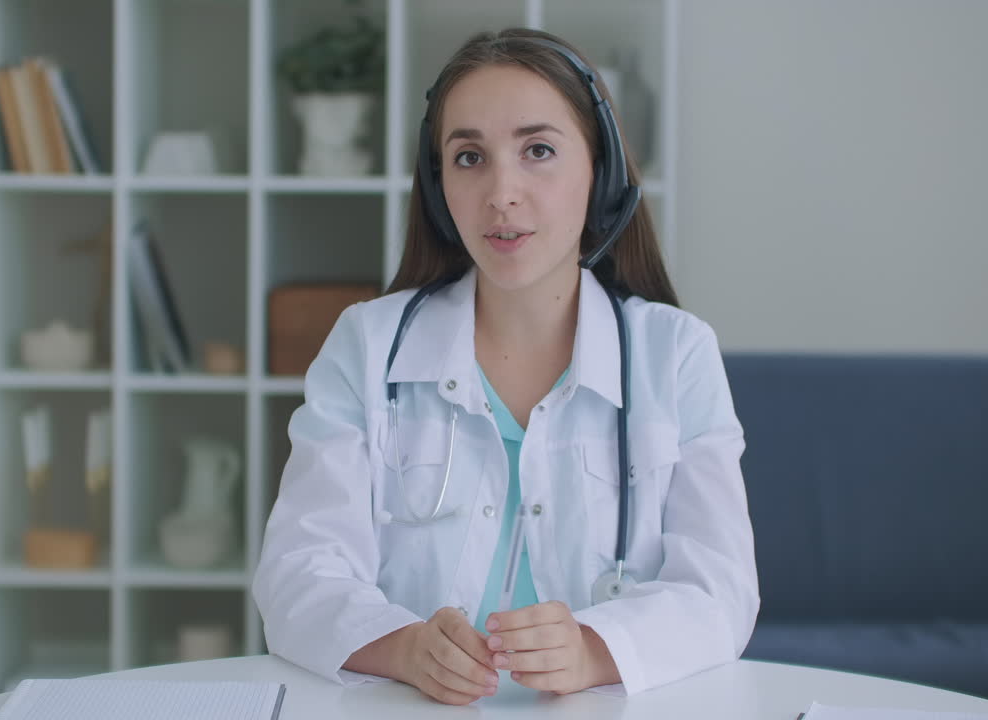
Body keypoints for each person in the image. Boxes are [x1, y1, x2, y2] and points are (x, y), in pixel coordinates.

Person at [253, 28, 758, 704]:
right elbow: (297, 573)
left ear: (600, 173)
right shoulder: (367, 346)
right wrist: (403, 648)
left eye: (539, 150)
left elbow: (720, 590)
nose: (501, 192)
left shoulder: (676, 355)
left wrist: (592, 649)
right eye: (468, 158)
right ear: (439, 190)